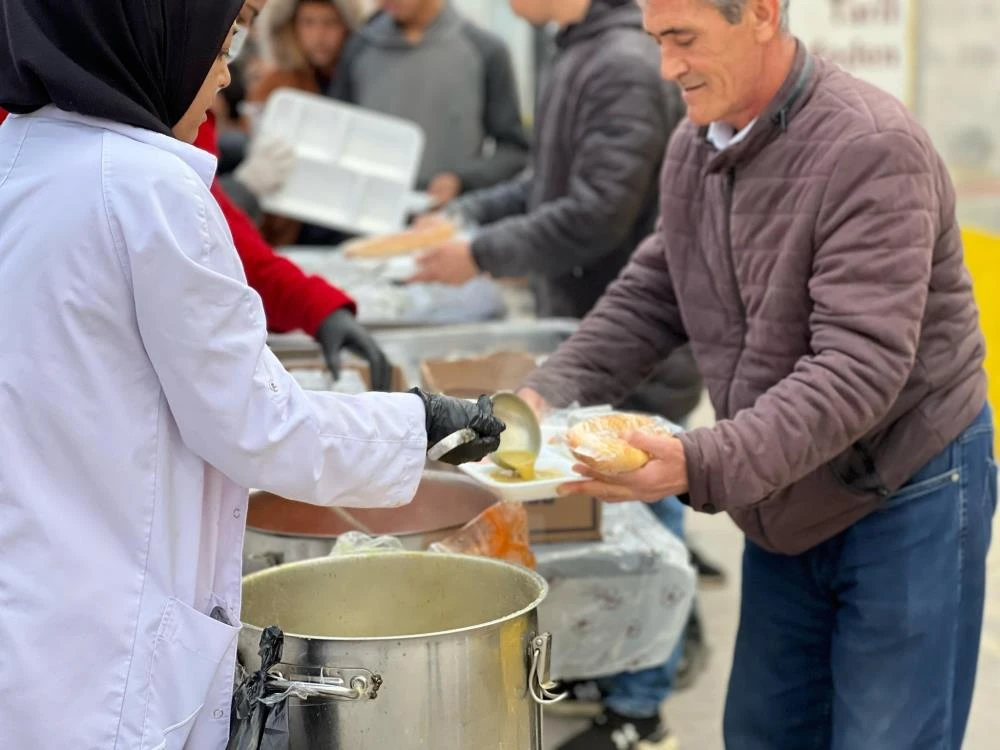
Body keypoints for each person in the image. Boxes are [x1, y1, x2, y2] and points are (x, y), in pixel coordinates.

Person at [0, 3, 503, 750]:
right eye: (220, 45)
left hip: (39, 607)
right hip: (111, 642)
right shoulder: (147, 190)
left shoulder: (23, 154)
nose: (227, 73)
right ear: (150, 40)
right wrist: (420, 422)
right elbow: (258, 425)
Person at [516, 1, 996, 749]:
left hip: (903, 485)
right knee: (766, 732)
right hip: (782, 488)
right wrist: (542, 392)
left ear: (763, 13)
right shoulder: (694, 147)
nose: (666, 67)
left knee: (886, 736)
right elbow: (653, 294)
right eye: (656, 39)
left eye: (685, 39)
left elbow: (859, 365)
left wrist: (701, 461)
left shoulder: (870, 148)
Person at [330, 0, 531, 207]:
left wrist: (462, 180)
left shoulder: (485, 50)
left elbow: (514, 151)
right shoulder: (358, 48)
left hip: (448, 224)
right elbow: (335, 139)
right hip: (369, 219)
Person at [244, 0, 354, 246]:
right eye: (308, 23)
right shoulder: (276, 86)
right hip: (294, 224)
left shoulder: (361, 79)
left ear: (346, 26)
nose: (319, 35)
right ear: (291, 27)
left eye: (330, 23)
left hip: (350, 215)